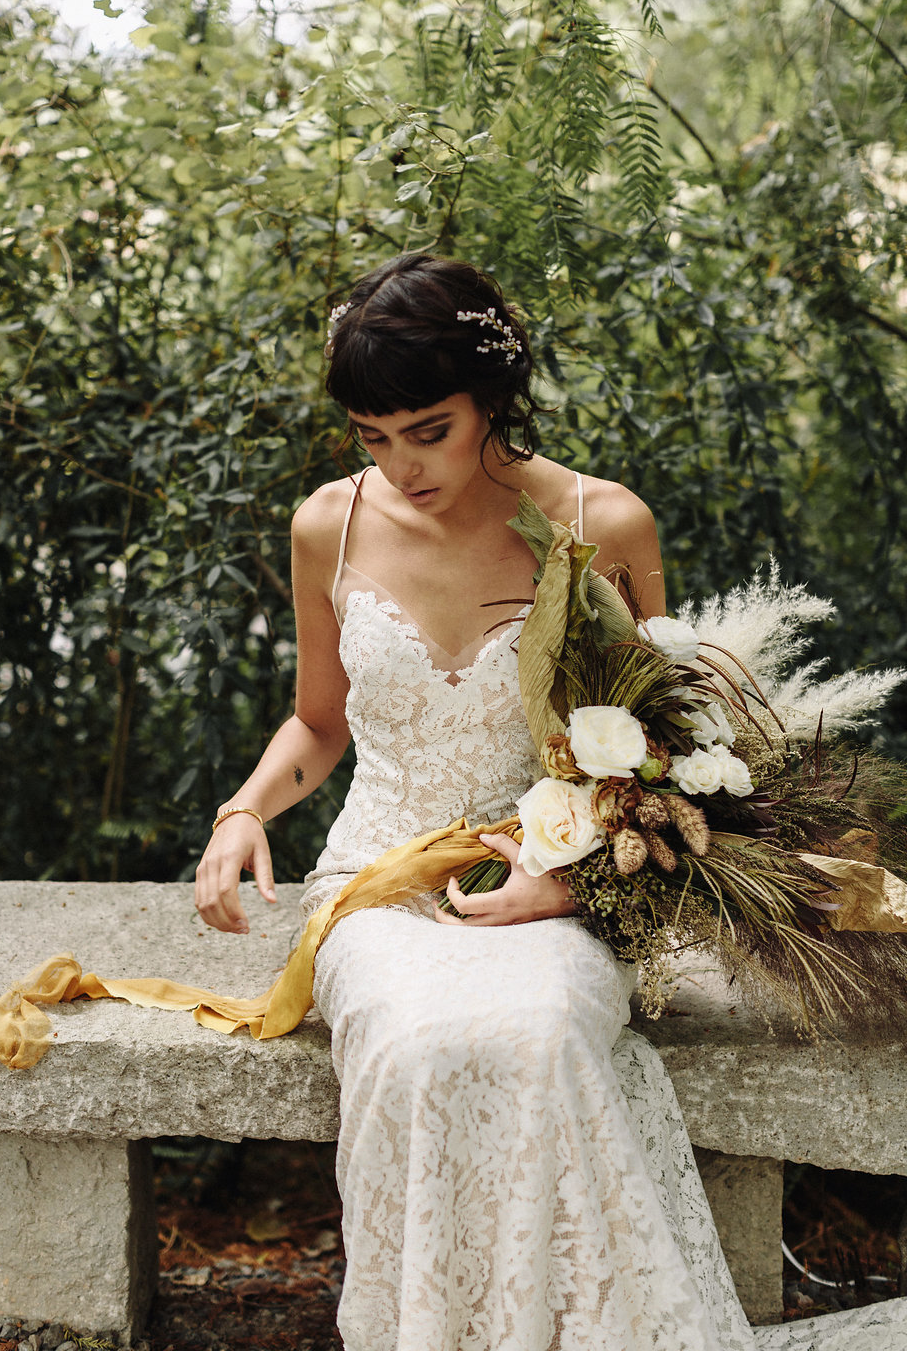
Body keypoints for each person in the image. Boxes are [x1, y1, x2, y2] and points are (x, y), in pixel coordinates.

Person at [195, 254, 905, 1351]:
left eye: (427, 428)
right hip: (383, 881)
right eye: (371, 436)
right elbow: (320, 723)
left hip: (563, 874)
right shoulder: (326, 527)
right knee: (416, 1044)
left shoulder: (602, 522)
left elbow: (664, 742)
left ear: (494, 396)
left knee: (540, 1032)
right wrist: (243, 811)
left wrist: (568, 879)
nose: (399, 464)